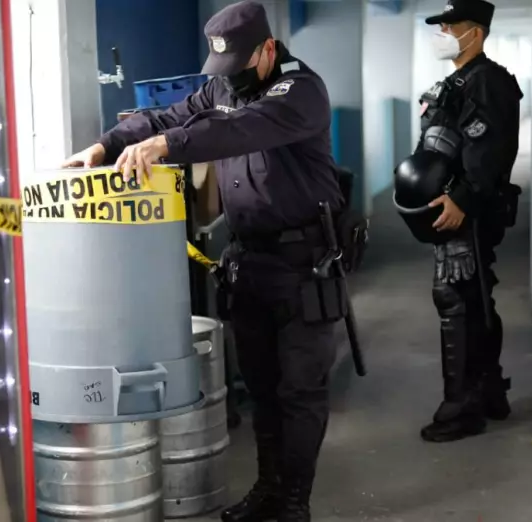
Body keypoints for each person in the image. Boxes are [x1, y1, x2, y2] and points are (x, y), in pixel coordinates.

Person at [63, 2, 347, 520]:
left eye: (239, 65)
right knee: (261, 390)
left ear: (266, 49)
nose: (229, 80)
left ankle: (293, 502)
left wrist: (166, 144)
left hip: (303, 263)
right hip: (250, 261)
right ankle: (268, 490)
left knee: (299, 392)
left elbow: (239, 131)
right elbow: (170, 114)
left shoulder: (300, 91)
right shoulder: (223, 87)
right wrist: (105, 147)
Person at [399, 0, 523, 443]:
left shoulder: (488, 82)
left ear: (477, 32)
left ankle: (462, 407)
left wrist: (462, 199)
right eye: (442, 25)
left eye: (452, 25)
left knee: (456, 297)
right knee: (474, 298)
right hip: (452, 207)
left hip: (468, 211)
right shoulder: (455, 81)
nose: (444, 31)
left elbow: (489, 150)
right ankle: (488, 390)